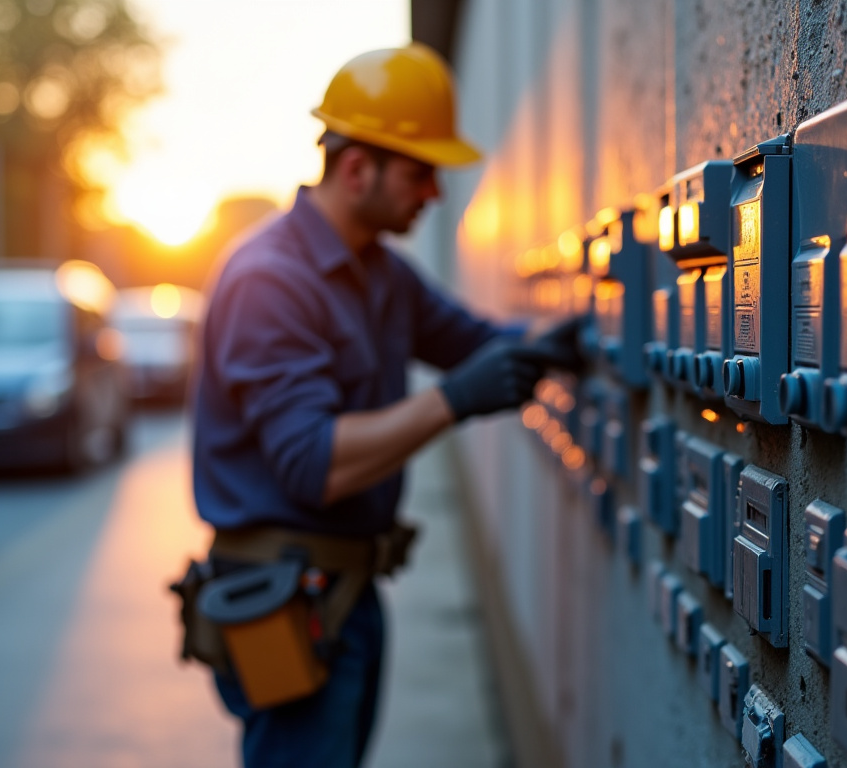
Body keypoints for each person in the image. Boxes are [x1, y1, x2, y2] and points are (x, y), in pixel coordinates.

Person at [190, 43, 583, 768]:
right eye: (419, 171)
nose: (433, 192)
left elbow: (477, 342)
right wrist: (455, 401)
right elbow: (316, 465)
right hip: (283, 599)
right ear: (355, 167)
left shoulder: (380, 272)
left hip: (345, 591)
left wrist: (582, 335)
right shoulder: (268, 282)